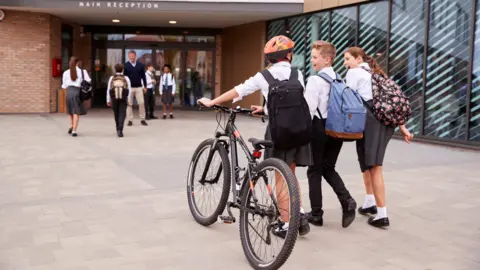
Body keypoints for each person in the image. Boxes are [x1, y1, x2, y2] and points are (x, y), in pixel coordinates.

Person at [197, 35, 311, 238]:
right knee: (290, 174)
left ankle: (285, 224)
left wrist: (213, 101)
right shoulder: (298, 74)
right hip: (299, 129)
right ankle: (299, 215)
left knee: (280, 178)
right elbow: (292, 102)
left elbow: (237, 91)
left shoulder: (264, 76)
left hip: (279, 132)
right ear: (288, 56)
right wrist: (266, 108)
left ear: (270, 58)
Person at [343, 47, 414, 228]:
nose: (345, 63)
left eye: (348, 59)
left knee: (374, 166)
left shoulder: (355, 72)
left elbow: (347, 99)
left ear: (359, 59)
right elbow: (390, 104)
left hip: (370, 122)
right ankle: (369, 202)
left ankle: (382, 214)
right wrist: (403, 127)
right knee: (366, 163)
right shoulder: (375, 73)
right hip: (382, 122)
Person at [304, 41, 357, 228]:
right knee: (328, 167)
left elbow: (308, 110)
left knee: (314, 170)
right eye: (311, 57)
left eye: (315, 57)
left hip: (319, 128)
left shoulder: (315, 80)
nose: (312, 61)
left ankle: (316, 214)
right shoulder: (339, 78)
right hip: (337, 128)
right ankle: (347, 201)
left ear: (327, 59)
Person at [61, 56, 90, 137]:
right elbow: (88, 81)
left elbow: (64, 86)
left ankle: (71, 125)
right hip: (77, 91)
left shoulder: (66, 72)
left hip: (68, 91)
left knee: (70, 111)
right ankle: (74, 131)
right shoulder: (82, 71)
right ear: (78, 63)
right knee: (76, 112)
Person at [106, 64, 132, 137]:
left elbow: (108, 89)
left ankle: (117, 128)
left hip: (114, 98)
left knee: (116, 113)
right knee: (122, 114)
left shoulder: (112, 78)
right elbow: (129, 89)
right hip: (123, 98)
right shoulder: (126, 78)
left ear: (115, 69)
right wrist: (129, 100)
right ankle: (120, 130)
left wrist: (108, 100)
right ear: (123, 69)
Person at [124, 50, 148, 126]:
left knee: (141, 103)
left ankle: (142, 119)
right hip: (129, 88)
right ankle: (130, 120)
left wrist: (145, 86)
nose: (131, 57)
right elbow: (124, 77)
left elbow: (143, 77)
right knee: (129, 104)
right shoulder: (125, 65)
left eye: (132, 55)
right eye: (130, 55)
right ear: (128, 56)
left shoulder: (140, 65)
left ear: (135, 56)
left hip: (139, 87)